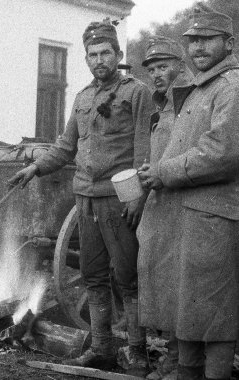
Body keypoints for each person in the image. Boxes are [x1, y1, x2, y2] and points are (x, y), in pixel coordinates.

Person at [8, 20, 153, 375]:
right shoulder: (83, 97)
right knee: (93, 275)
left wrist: (136, 197)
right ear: (86, 59)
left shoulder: (137, 93)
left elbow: (143, 151)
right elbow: (65, 146)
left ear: (118, 55)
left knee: (127, 277)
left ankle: (137, 352)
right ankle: (101, 349)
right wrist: (35, 169)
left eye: (106, 53)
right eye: (93, 55)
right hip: (84, 199)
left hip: (118, 200)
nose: (99, 60)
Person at [138, 5, 239, 379]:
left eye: (207, 40)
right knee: (191, 312)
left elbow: (222, 154)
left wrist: (163, 171)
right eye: (192, 41)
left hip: (215, 219)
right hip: (192, 217)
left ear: (229, 43)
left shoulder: (230, 87)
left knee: (215, 318)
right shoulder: (201, 89)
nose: (198, 48)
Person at [136, 35, 193, 380]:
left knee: (182, 283)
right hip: (160, 202)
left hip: (184, 203)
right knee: (160, 278)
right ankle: (173, 357)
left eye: (164, 66)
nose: (158, 73)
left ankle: (181, 361)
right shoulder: (163, 106)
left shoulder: (192, 101)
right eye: (153, 68)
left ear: (179, 66)